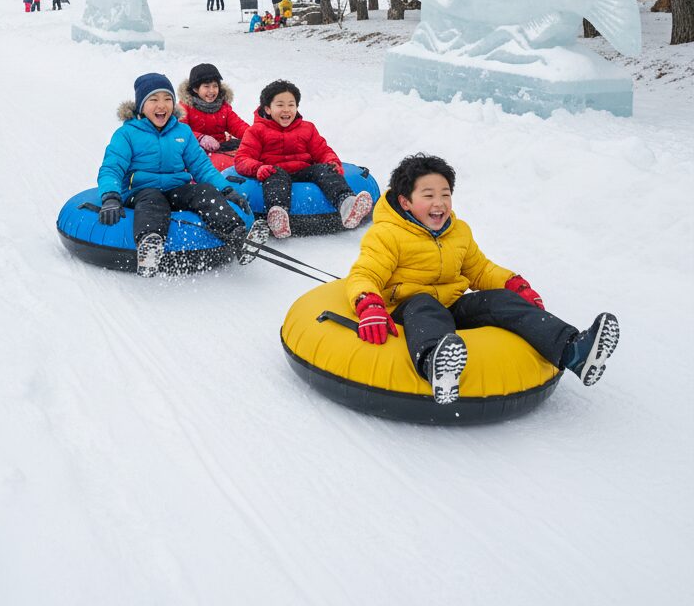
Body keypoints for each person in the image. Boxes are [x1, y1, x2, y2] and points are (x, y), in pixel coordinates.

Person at [345, 153, 620, 405]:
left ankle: (575, 351)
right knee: (424, 304)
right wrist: (369, 304)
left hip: (450, 305)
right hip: (408, 310)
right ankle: (435, 365)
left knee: (500, 301)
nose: (439, 203)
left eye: (445, 194)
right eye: (428, 195)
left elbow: (479, 270)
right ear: (405, 201)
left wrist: (514, 284)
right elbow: (365, 274)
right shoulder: (386, 235)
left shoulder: (458, 231)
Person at [96, 73, 265, 276]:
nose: (162, 106)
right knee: (153, 199)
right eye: (154, 100)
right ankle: (149, 247)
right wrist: (110, 197)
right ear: (141, 105)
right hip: (140, 190)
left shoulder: (182, 132)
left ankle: (238, 236)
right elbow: (111, 167)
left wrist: (226, 190)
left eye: (168, 99)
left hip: (175, 188)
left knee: (203, 190)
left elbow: (202, 167)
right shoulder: (127, 134)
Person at [234, 79, 373, 239]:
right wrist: (258, 168)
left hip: (303, 170)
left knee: (325, 170)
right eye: (280, 105)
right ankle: (278, 216)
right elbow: (242, 158)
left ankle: (347, 204)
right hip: (274, 171)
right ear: (268, 109)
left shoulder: (307, 128)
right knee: (276, 176)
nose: (286, 110)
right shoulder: (257, 131)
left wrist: (332, 161)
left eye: (291, 105)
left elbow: (322, 150)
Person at [178, 63, 250, 155]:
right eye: (206, 86)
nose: (211, 91)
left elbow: (238, 126)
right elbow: (180, 131)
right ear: (196, 89)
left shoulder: (223, 107)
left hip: (221, 148)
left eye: (215, 86)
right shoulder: (185, 107)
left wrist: (254, 135)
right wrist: (200, 138)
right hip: (196, 151)